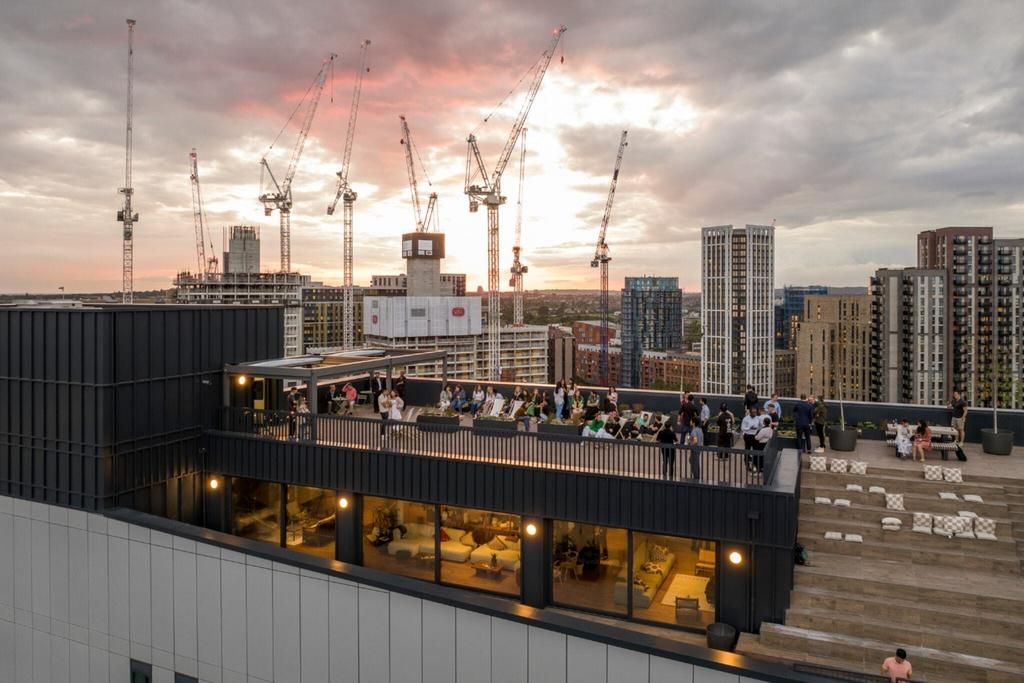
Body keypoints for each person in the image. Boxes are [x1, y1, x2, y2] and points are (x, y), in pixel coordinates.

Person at [687, 416, 704, 481]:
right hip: (699, 448)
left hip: (695, 449)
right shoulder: (700, 429)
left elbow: (695, 440)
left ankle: (696, 478)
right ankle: (697, 476)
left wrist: (690, 445)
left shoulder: (694, 430)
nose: (690, 422)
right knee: (694, 461)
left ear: (693, 423)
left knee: (694, 463)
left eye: (691, 421)